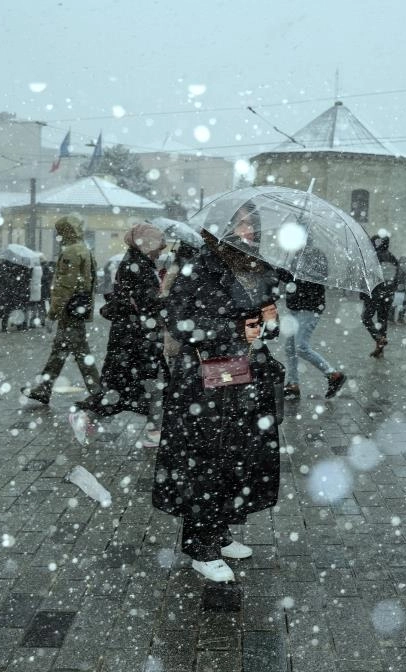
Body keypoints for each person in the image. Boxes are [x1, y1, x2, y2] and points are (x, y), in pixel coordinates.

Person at [152, 203, 280, 583]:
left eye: (253, 224)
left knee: (236, 454)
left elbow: (261, 326)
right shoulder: (201, 266)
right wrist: (233, 332)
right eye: (242, 223)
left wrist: (269, 323)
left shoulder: (257, 269)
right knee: (207, 456)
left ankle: (220, 529)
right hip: (206, 378)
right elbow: (178, 319)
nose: (250, 230)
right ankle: (200, 545)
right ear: (223, 228)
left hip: (244, 377)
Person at [68, 223, 167, 447]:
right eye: (156, 246)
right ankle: (87, 416)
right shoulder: (136, 265)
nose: (160, 250)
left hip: (137, 335)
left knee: (147, 383)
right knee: (133, 385)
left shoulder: (141, 262)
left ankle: (154, 430)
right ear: (146, 244)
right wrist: (168, 298)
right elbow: (146, 302)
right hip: (133, 338)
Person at [24, 215, 101, 405]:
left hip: (70, 311)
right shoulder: (84, 248)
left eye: (59, 231)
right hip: (77, 309)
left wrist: (53, 313)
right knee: (60, 351)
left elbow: (65, 286)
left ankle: (98, 393)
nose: (58, 235)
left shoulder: (71, 252)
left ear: (66, 231)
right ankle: (44, 388)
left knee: (80, 353)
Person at [278, 248, 346, 401]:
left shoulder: (316, 255)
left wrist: (294, 273)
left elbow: (315, 279)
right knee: (290, 348)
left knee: (301, 347)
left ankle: (333, 375)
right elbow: (290, 279)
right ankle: (293, 384)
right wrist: (280, 270)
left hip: (310, 307)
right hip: (295, 306)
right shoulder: (293, 255)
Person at [360, 231, 397, 358]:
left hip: (375, 294)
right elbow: (397, 277)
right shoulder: (392, 258)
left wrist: (364, 293)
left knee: (366, 318)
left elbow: (367, 277)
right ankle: (380, 349)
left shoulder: (373, 258)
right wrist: (391, 290)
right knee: (382, 321)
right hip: (388, 295)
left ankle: (378, 338)